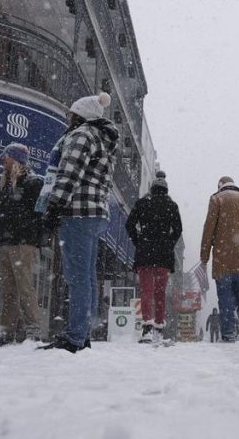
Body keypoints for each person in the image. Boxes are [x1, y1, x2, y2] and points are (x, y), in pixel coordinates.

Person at [37, 92, 118, 353]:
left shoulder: (82, 134)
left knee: (77, 276)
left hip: (78, 211)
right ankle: (83, 331)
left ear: (79, 116)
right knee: (88, 276)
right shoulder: (103, 139)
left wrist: (53, 206)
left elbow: (69, 172)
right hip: (96, 213)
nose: (67, 119)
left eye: (70, 115)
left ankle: (75, 337)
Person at [0, 143, 44, 346]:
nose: (3, 159)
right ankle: (5, 331)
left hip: (22, 242)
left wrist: (34, 238)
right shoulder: (5, 183)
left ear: (16, 159)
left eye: (6, 156)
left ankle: (33, 331)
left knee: (24, 287)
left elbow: (39, 214)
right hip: (4, 242)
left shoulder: (33, 183)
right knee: (8, 288)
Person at [200, 176, 239, 342]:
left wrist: (204, 256)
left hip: (222, 258)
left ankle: (228, 333)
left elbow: (208, 229)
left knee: (225, 295)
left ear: (220, 186)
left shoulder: (216, 200)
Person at [125, 171, 182, 344]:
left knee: (146, 291)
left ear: (152, 188)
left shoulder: (142, 203)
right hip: (163, 256)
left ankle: (147, 328)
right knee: (159, 293)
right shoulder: (172, 206)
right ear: (165, 189)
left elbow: (129, 225)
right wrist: (168, 243)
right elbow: (178, 229)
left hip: (145, 253)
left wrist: (138, 240)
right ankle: (159, 328)